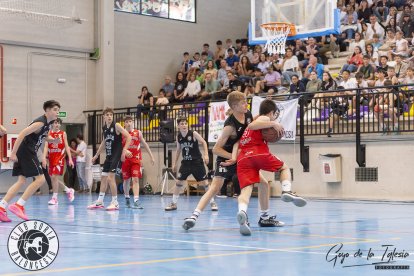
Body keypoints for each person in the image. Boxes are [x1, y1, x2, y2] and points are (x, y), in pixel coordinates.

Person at [182, 91, 283, 230]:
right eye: (243, 103)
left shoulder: (248, 115)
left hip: (242, 158)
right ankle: (194, 216)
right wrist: (233, 157)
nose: (246, 104)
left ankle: (264, 217)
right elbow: (216, 149)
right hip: (225, 159)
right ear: (235, 106)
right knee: (214, 188)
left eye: (246, 101)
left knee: (263, 184)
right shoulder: (229, 126)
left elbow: (251, 128)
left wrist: (270, 120)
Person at [230, 100, 307, 235]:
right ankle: (286, 191)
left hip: (243, 158)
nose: (274, 118)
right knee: (284, 168)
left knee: (255, 187)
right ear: (271, 112)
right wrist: (273, 123)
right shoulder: (264, 118)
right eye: (274, 115)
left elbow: (251, 126)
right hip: (257, 152)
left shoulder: (251, 123)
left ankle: (246, 213)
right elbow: (255, 125)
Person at [0, 100, 61, 222]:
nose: (57, 113)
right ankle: (19, 205)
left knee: (21, 180)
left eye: (58, 110)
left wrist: (54, 140)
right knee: (41, 179)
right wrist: (12, 152)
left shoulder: (48, 123)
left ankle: (1, 208)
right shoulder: (40, 122)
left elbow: (44, 137)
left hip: (26, 151)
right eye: (55, 110)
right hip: (26, 150)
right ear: (47, 110)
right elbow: (22, 133)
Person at [165, 116, 213, 211]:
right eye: (182, 124)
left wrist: (206, 155)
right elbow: (178, 150)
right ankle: (174, 203)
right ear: (178, 126)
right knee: (178, 182)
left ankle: (212, 203)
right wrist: (174, 163)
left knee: (205, 183)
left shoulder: (193, 133)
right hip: (186, 163)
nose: (184, 125)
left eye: (185, 123)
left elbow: (203, 142)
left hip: (197, 162)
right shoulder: (178, 136)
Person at [88, 107, 132, 211]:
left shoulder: (116, 125)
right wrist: (96, 155)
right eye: (107, 115)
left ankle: (115, 202)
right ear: (104, 117)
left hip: (116, 156)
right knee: (103, 178)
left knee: (110, 178)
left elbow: (129, 137)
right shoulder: (104, 128)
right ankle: (100, 202)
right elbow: (104, 142)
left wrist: (124, 150)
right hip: (108, 156)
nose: (109, 117)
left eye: (111, 115)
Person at [122, 116, 155, 209]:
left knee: (135, 179)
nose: (129, 123)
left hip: (136, 160)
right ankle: (127, 197)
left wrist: (151, 156)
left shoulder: (138, 132)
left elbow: (145, 144)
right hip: (125, 160)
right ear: (124, 124)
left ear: (133, 122)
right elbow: (118, 147)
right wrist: (124, 151)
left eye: (130, 121)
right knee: (126, 181)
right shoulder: (121, 133)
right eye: (127, 122)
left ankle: (136, 201)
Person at [42, 118, 75, 205]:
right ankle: (68, 190)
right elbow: (46, 146)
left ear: (60, 125)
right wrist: (44, 158)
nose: (57, 125)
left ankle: (55, 198)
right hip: (51, 158)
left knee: (54, 177)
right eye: (55, 123)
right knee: (53, 178)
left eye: (58, 123)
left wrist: (70, 159)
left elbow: (67, 146)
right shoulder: (49, 133)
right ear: (52, 124)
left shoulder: (63, 133)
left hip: (59, 158)